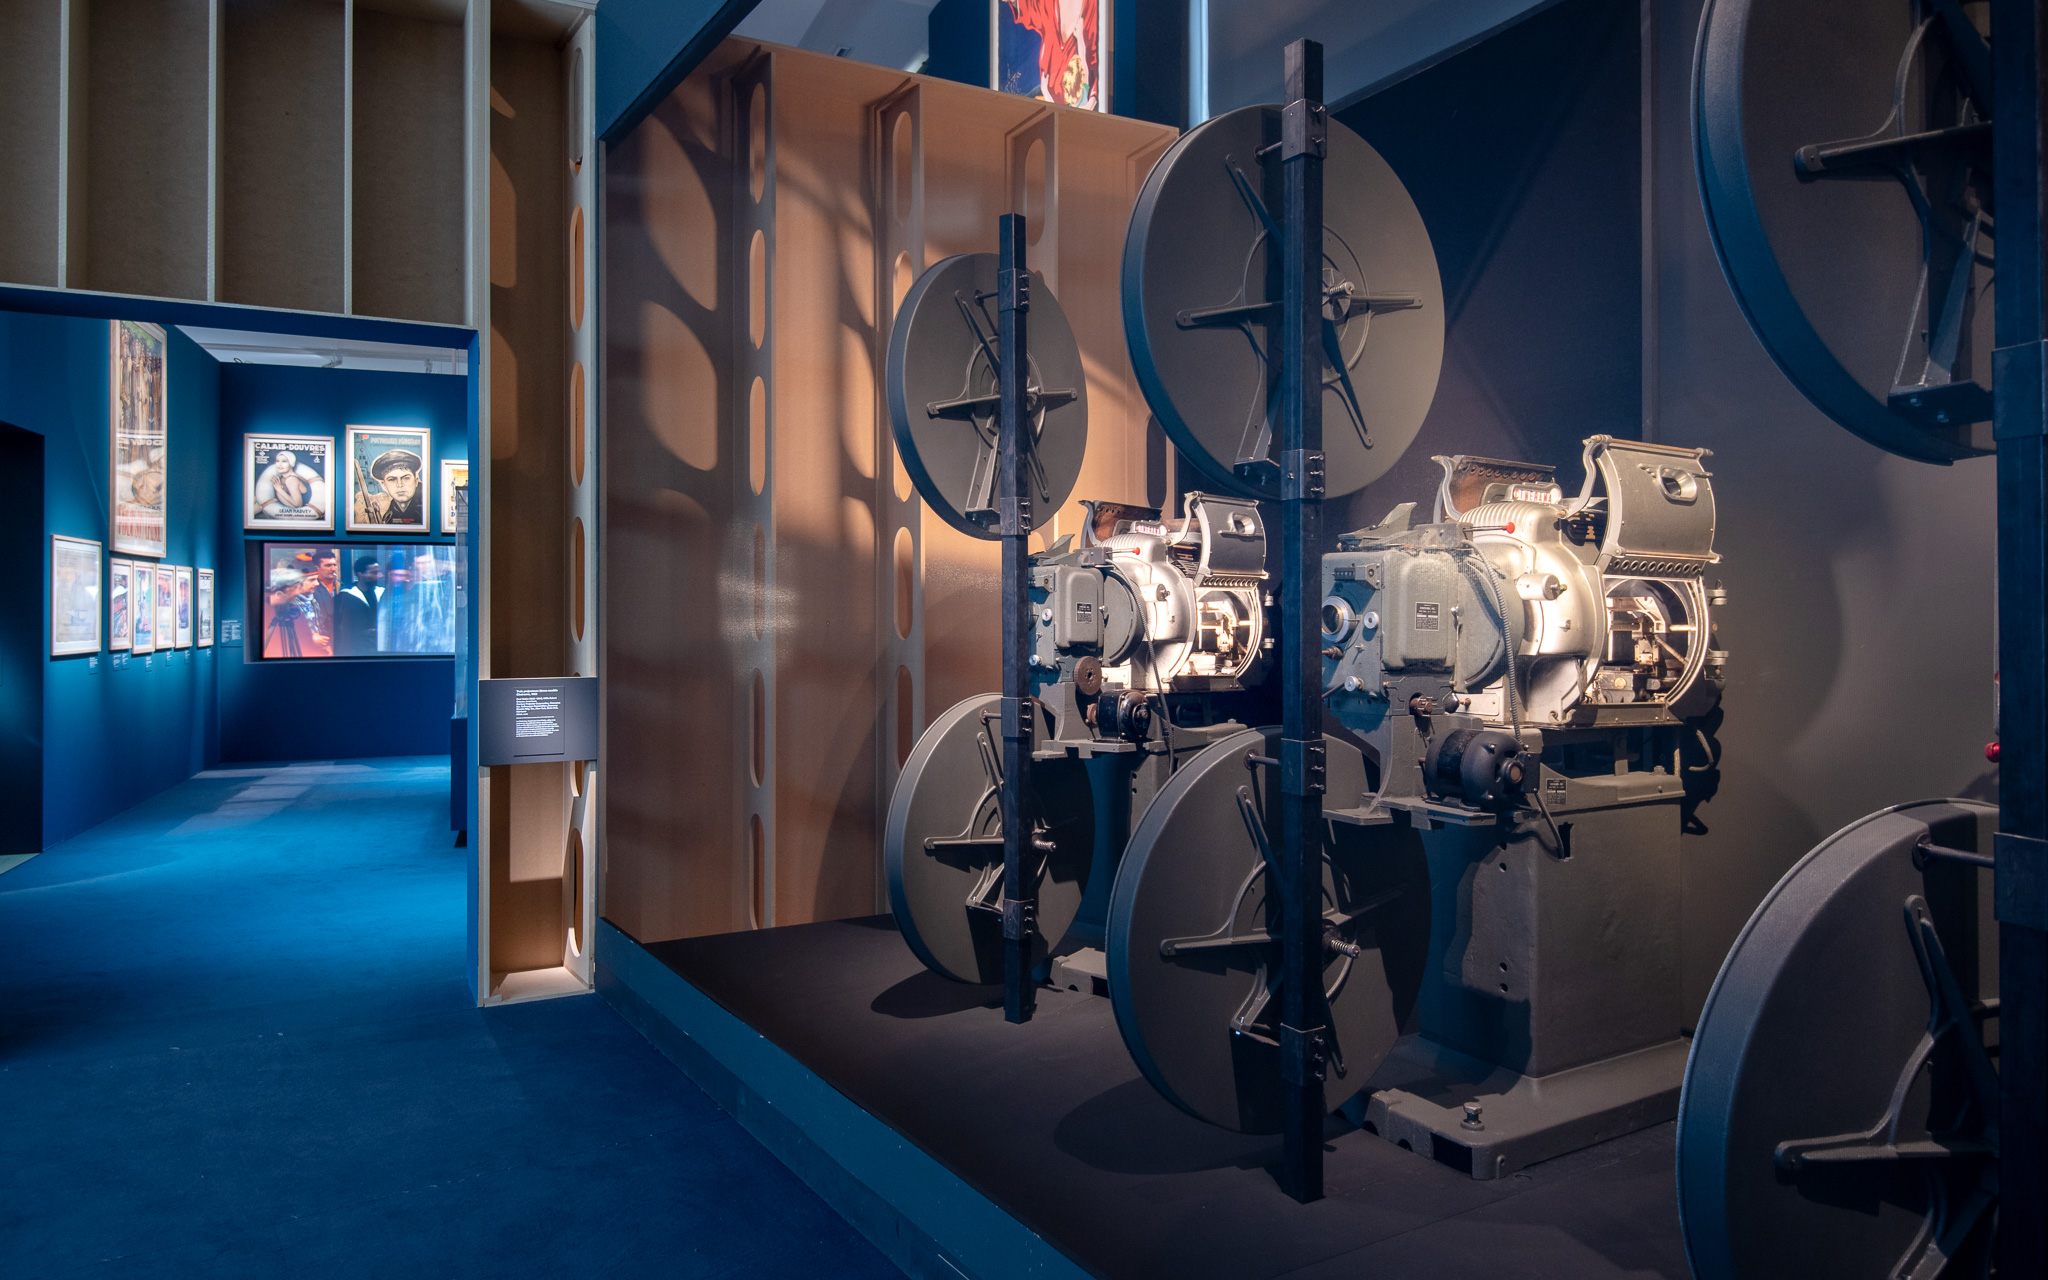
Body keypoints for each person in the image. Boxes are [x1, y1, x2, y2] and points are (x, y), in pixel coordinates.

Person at [354, 449, 424, 526]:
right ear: (384, 485)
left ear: (416, 481)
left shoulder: (425, 509)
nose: (399, 485)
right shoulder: (389, 515)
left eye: (406, 478)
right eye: (392, 479)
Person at [333, 556, 384, 656]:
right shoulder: (345, 597)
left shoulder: (382, 593)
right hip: (355, 652)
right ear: (360, 574)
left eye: (380, 572)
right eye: (375, 573)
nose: (380, 576)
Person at [256, 449, 327, 521]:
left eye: (284, 461)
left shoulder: (291, 479)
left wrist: (279, 490)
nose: (280, 464)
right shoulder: (283, 478)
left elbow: (297, 505)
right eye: (278, 461)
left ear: (291, 463)